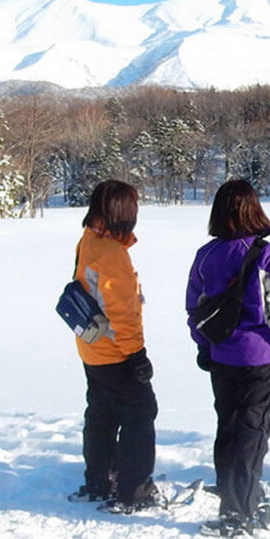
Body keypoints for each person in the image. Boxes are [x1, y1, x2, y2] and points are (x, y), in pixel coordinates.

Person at [186, 179, 270, 536]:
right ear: (254, 209)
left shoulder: (206, 255)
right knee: (251, 434)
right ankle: (240, 510)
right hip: (259, 359)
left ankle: (234, 494)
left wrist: (203, 346)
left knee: (228, 427)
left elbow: (195, 308)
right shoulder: (268, 255)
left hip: (222, 357)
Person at [68, 180, 161, 512]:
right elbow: (121, 310)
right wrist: (136, 354)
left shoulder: (89, 239)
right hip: (114, 351)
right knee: (140, 413)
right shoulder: (112, 253)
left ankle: (99, 480)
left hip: (92, 348)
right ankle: (134, 489)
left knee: (101, 415)